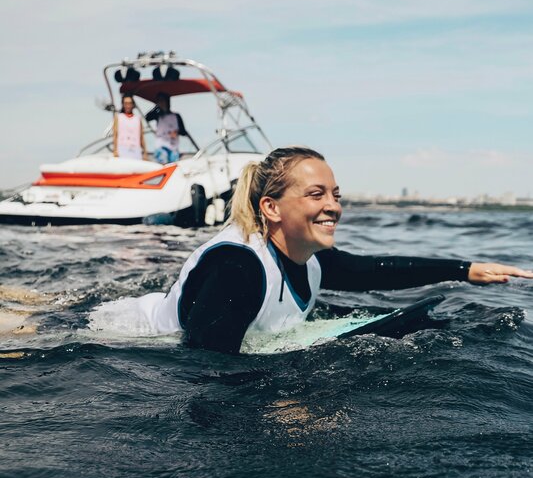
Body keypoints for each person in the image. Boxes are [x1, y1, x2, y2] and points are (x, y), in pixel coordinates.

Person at [98, 147, 533, 354]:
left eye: (336, 194)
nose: (333, 207)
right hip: (119, 333)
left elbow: (373, 271)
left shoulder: (312, 260)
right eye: (316, 194)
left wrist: (465, 269)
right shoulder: (238, 268)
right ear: (271, 207)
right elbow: (203, 364)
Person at [146, 92, 188, 164]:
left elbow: (184, 132)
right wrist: (156, 107)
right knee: (162, 159)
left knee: (174, 165)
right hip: (161, 146)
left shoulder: (176, 116)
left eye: (163, 101)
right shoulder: (157, 115)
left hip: (173, 147)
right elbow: (147, 117)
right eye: (160, 101)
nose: (162, 103)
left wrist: (176, 132)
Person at [113, 95, 147, 161]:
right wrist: (115, 150)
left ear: (133, 105)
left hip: (136, 149)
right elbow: (115, 135)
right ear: (123, 104)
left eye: (130, 103)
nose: (128, 105)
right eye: (126, 103)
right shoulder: (118, 117)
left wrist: (145, 152)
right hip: (122, 149)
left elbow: (141, 137)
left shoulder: (138, 118)